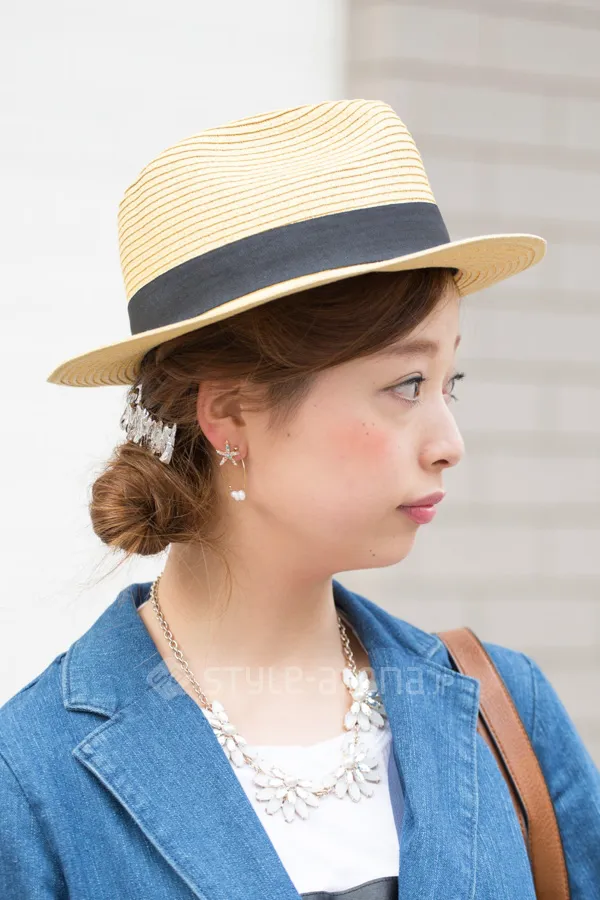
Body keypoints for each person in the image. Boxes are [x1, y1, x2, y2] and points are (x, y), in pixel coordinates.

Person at [1, 99, 598, 899]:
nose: (449, 441)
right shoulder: (34, 783)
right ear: (230, 412)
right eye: (406, 384)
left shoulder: (503, 709)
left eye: (449, 381)